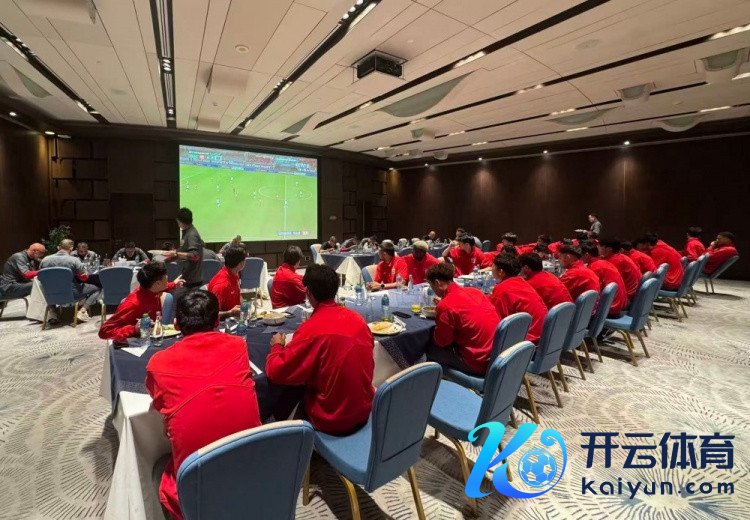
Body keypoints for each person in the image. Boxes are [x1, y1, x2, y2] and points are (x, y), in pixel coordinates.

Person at [146, 291, 261, 520]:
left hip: (197, 488)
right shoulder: (238, 345)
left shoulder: (157, 363)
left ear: (176, 324)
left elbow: (158, 401)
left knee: (158, 464)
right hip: (250, 471)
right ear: (217, 321)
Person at [266, 264, 374, 434]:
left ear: (308, 292)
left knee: (286, 398)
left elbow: (276, 372)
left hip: (332, 419)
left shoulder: (310, 330)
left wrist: (277, 346)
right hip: (365, 411)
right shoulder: (358, 319)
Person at [425, 262, 499, 375]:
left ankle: (431, 382)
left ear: (437, 283)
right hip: (494, 356)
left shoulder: (446, 306)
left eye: (431, 286)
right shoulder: (475, 292)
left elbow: (442, 342)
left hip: (476, 363)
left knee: (427, 348)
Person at [99, 262, 184, 342]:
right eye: (166, 277)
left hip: (151, 336)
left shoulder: (150, 288)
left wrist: (174, 284)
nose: (168, 278)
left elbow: (161, 287)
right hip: (137, 343)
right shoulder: (133, 304)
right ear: (158, 283)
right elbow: (104, 331)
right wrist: (134, 329)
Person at [488, 254, 546, 344]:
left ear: (500, 271)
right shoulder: (522, 282)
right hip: (543, 335)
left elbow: (494, 320)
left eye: (492, 266)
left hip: (527, 341)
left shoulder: (502, 289)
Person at [40, 239, 100, 322]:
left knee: (50, 286)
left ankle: (52, 313)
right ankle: (82, 312)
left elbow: (41, 277)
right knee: (96, 288)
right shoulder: (74, 260)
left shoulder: (45, 260)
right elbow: (84, 278)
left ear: (59, 247)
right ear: (71, 248)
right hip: (71, 293)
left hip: (50, 293)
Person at [165, 207, 204, 299]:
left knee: (175, 300)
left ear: (180, 221)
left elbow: (195, 256)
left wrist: (176, 254)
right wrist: (172, 256)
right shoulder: (187, 232)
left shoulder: (191, 234)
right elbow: (184, 251)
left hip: (192, 281)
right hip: (188, 277)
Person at [580, 241, 626, 316]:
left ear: (586, 255)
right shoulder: (603, 262)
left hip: (609, 309)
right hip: (619, 304)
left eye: (578, 255)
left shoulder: (594, 267)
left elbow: (593, 293)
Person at [206, 246, 245, 319]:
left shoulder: (234, 273)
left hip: (235, 319)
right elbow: (210, 315)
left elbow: (238, 294)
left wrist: (244, 306)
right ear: (241, 264)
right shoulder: (222, 285)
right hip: (224, 322)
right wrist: (230, 313)